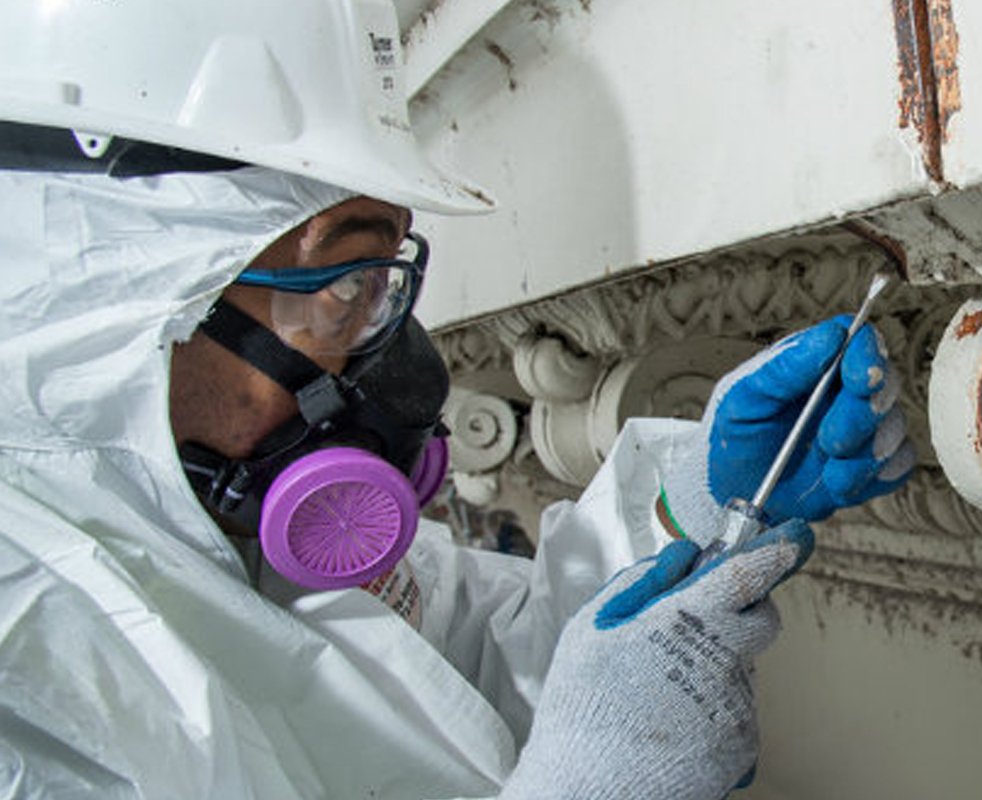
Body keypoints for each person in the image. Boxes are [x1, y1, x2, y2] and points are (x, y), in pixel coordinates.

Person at [0, 2, 913, 798]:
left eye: (381, 284)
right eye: (340, 289)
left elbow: (479, 673)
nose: (393, 371)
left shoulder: (220, 528)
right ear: (124, 296)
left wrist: (687, 509)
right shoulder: (26, 672)